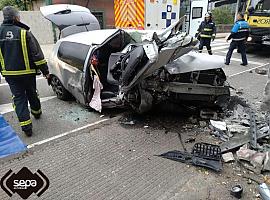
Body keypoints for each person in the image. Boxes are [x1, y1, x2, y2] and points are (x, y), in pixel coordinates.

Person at [0, 6, 50, 137]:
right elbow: (37, 55)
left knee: (19, 98)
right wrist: (45, 71)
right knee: (32, 92)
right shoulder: (24, 32)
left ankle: (27, 128)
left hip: (10, 75)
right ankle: (37, 112)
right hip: (27, 73)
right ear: (16, 17)